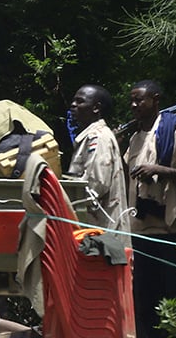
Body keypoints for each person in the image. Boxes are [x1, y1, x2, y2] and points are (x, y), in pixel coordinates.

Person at [124, 79, 176, 338]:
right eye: (131, 101)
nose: (134, 105)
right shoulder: (134, 138)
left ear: (156, 100)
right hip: (142, 231)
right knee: (144, 301)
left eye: (140, 100)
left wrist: (157, 170)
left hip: (172, 231)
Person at [66, 84, 131, 247]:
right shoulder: (89, 137)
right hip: (94, 231)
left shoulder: (98, 138)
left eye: (80, 101)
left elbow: (95, 186)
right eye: (73, 101)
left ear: (96, 108)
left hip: (100, 233)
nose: (73, 105)